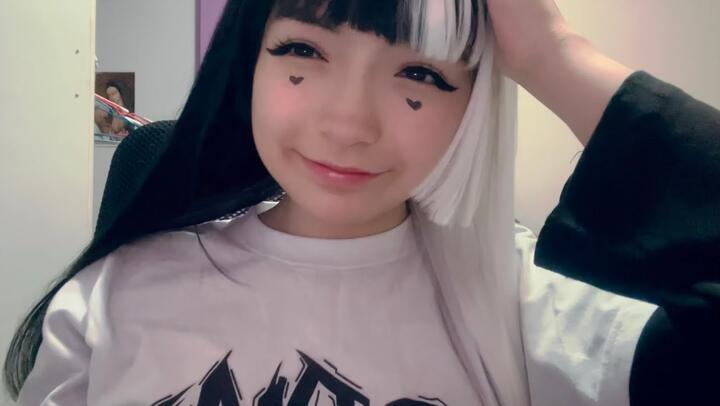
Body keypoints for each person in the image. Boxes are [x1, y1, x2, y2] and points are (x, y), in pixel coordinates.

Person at [4, 0, 718, 405]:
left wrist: (554, 56)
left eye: (421, 73)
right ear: (247, 62)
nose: (348, 124)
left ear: (474, 101)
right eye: (304, 52)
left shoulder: (529, 307)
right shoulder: (115, 296)